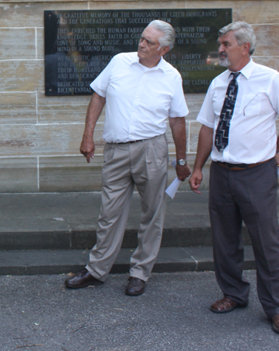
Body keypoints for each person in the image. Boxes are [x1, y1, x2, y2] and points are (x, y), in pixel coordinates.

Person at [188, 21, 279, 335]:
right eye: (220, 43)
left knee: (266, 243)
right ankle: (233, 294)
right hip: (222, 173)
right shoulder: (218, 83)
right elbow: (207, 128)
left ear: (244, 46)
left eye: (225, 44)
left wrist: (274, 148)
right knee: (224, 239)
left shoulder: (271, 80)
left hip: (257, 174)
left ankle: (277, 309)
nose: (221, 49)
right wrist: (199, 166)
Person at [65, 20, 191, 296]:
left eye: (150, 42)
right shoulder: (120, 62)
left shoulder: (171, 76)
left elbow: (178, 121)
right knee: (109, 212)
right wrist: (88, 136)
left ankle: (140, 273)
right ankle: (97, 270)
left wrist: (181, 161)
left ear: (165, 49)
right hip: (117, 149)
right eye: (142, 38)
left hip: (152, 150)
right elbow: (99, 96)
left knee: (152, 213)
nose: (142, 45)